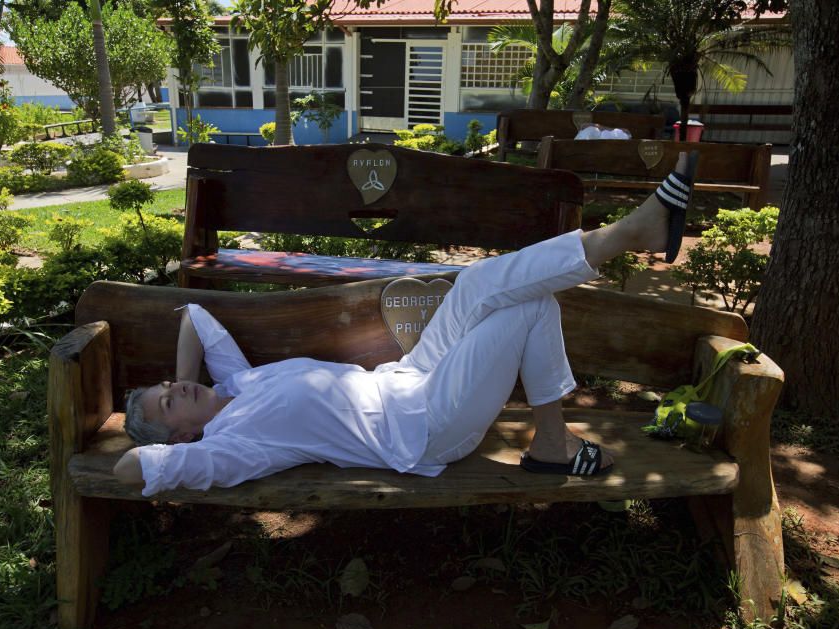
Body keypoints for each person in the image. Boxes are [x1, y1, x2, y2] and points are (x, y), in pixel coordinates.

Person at [114, 152, 699, 496]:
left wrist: (180, 384)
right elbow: (130, 465)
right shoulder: (232, 447)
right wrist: (170, 441)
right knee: (531, 308)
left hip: (410, 376)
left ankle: (626, 235)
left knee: (476, 281)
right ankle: (553, 442)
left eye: (168, 389)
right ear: (183, 438)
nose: (177, 391)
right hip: (424, 428)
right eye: (169, 405)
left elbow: (194, 316)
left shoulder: (237, 385)